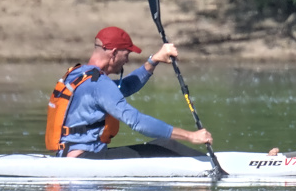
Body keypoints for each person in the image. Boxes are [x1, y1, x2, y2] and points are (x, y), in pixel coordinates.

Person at [45, 26, 213, 158]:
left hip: (68, 155)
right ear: (114, 53)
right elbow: (137, 122)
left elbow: (124, 87)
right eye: (126, 54)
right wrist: (191, 136)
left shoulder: (77, 75)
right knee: (165, 146)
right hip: (86, 159)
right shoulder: (100, 84)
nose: (127, 60)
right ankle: (210, 165)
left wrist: (153, 61)